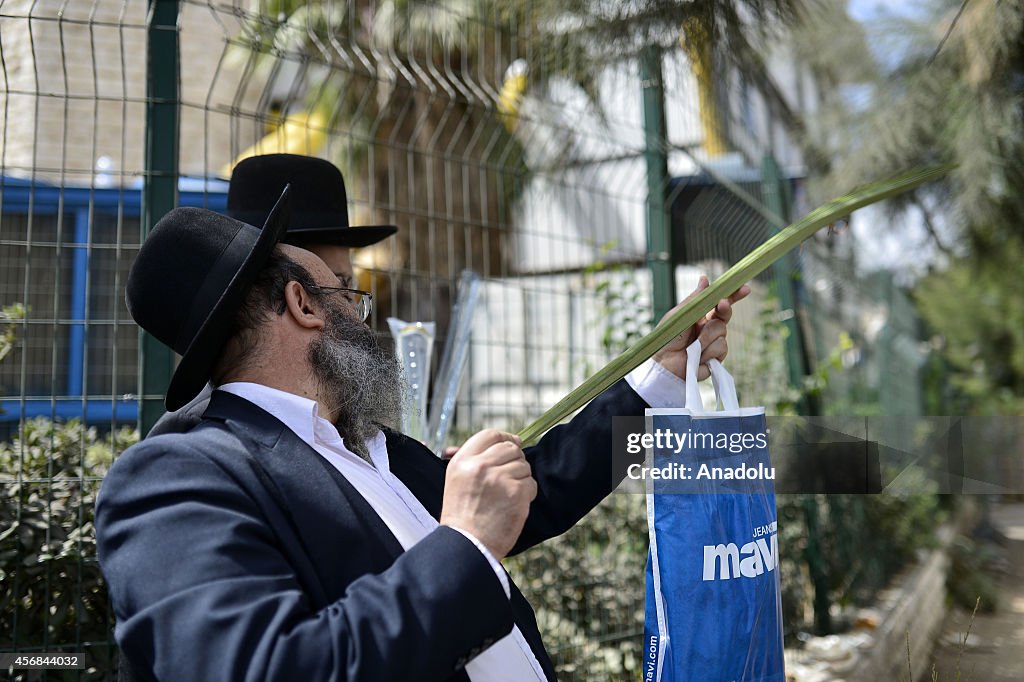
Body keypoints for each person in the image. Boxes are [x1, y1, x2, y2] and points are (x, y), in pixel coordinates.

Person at [97, 186, 749, 680]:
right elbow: (272, 667)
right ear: (303, 305)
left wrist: (662, 378)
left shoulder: (370, 447)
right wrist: (463, 542)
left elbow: (535, 492)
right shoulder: (175, 480)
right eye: (347, 294)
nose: (363, 315)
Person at [148, 153, 396, 436]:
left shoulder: (335, 417)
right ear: (295, 294)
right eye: (338, 283)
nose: (354, 312)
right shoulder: (203, 440)